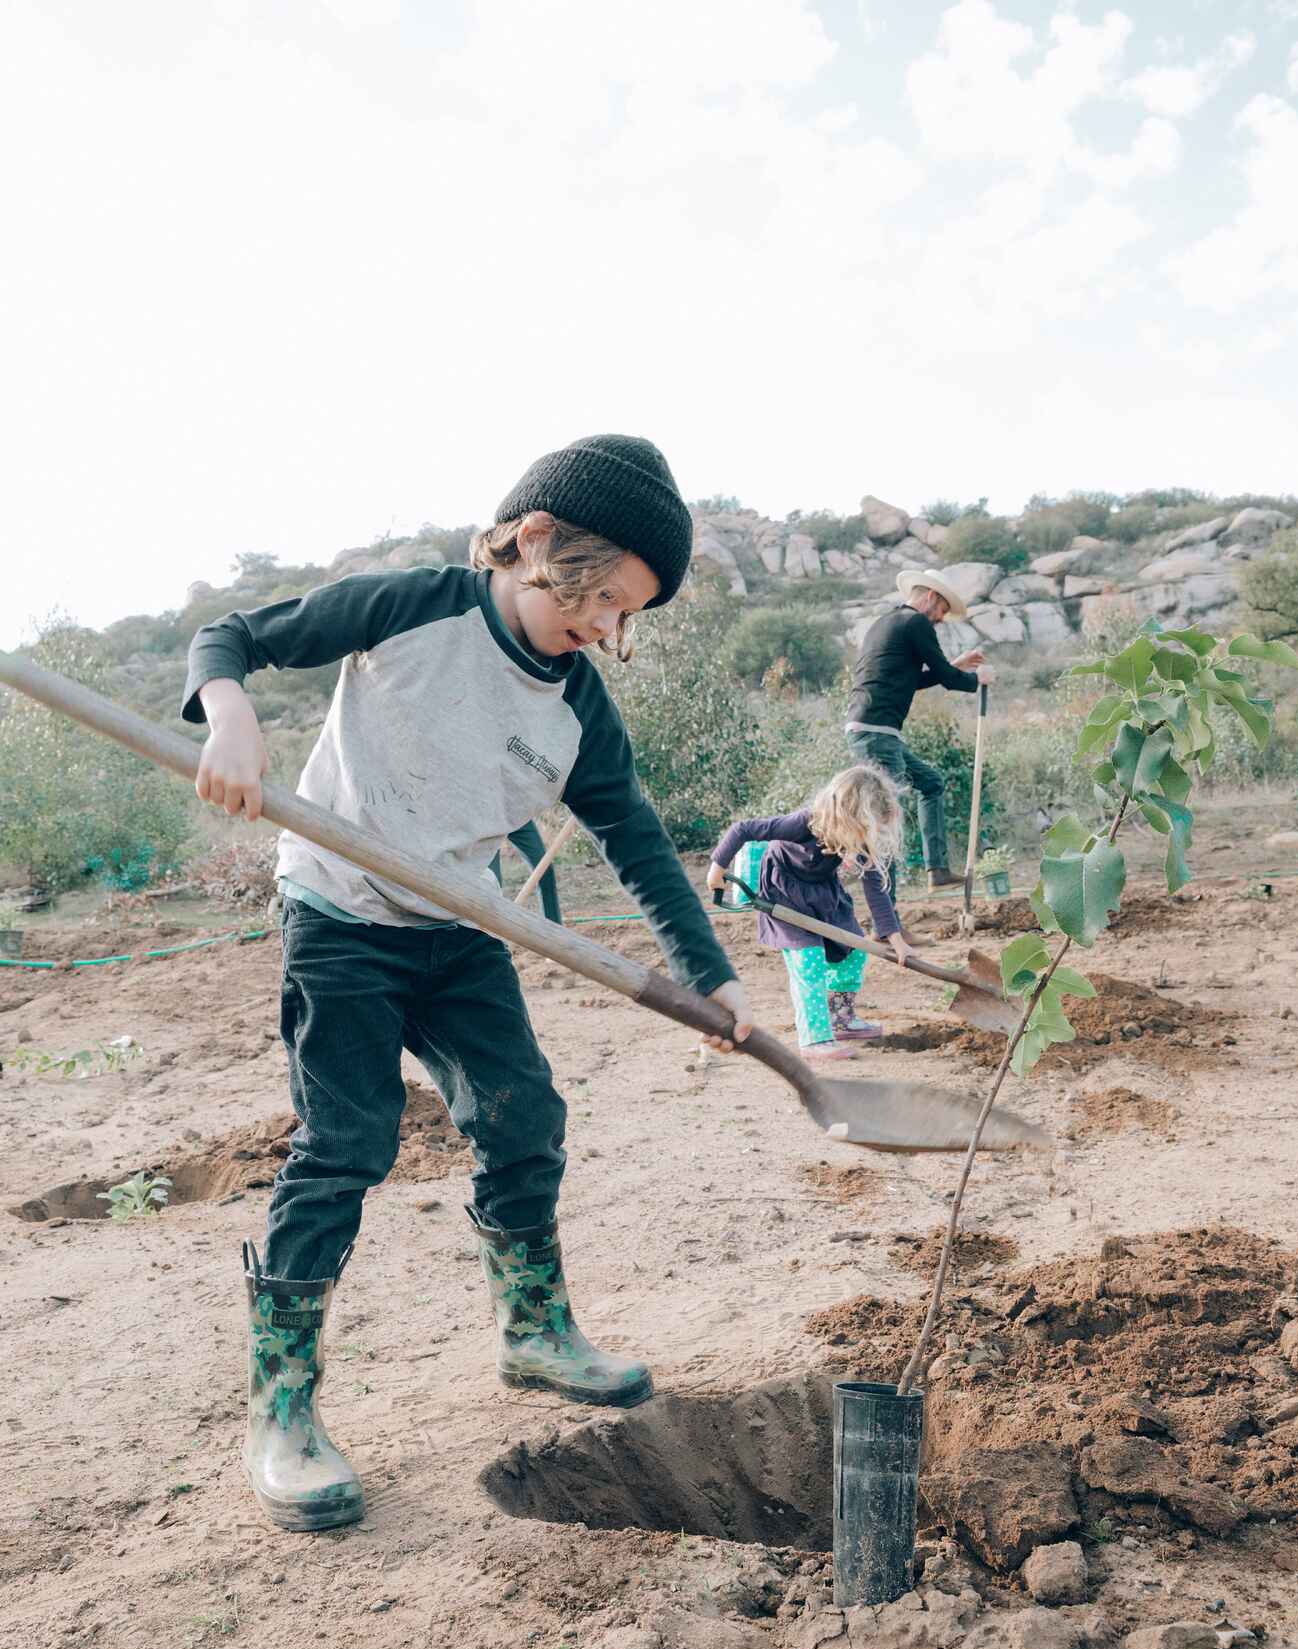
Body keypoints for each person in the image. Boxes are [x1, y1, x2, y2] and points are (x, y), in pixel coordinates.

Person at [183, 433, 754, 1533]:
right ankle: (284, 1404)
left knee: (524, 1114)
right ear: (534, 538)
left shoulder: (578, 706)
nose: (607, 627)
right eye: (600, 597)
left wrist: (710, 974)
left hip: (460, 927)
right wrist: (235, 715)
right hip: (341, 915)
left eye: (630, 614)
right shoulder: (416, 605)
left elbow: (632, 837)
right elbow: (232, 637)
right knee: (347, 1141)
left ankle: (533, 1326)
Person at [706, 765, 912, 1062]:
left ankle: (841, 1018)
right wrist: (717, 870)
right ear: (849, 814)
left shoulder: (856, 835)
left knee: (854, 950)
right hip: (785, 895)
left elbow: (875, 888)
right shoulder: (803, 823)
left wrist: (896, 938)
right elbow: (743, 829)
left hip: (823, 893)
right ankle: (814, 1040)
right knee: (809, 962)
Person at [845, 569, 993, 894]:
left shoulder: (888, 623)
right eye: (941, 611)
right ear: (930, 598)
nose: (940, 619)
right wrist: (977, 679)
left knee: (930, 783)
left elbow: (917, 680)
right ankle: (889, 922)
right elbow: (948, 679)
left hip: (875, 731)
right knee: (887, 819)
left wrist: (955, 666)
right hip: (876, 732)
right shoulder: (916, 623)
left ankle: (936, 870)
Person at [489, 820, 563, 924]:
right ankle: (487, 934)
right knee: (491, 883)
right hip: (486, 817)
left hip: (515, 813)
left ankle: (554, 927)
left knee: (544, 869)